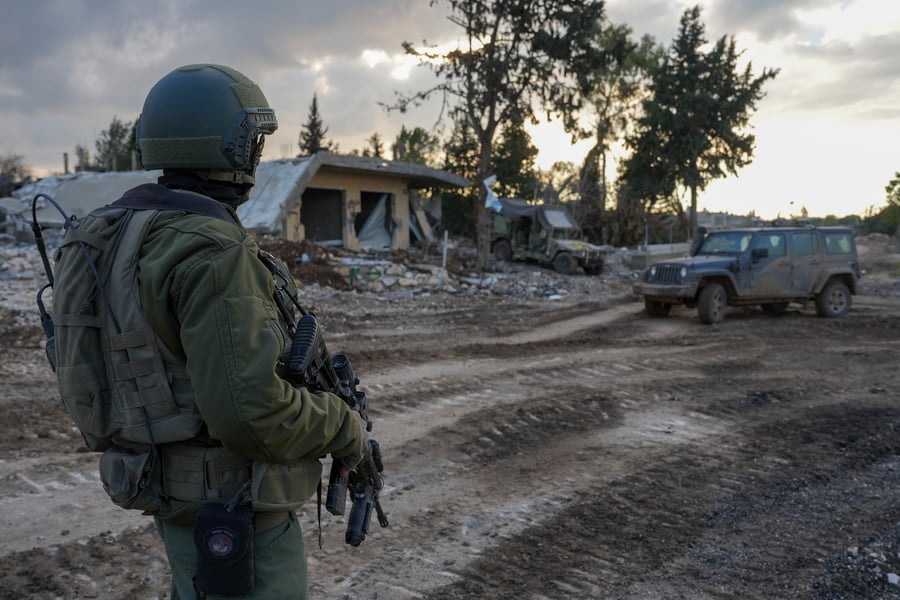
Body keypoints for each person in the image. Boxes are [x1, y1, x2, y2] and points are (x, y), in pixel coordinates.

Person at [47, 64, 369, 599]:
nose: (258, 154)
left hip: (174, 496)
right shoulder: (212, 251)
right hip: (240, 517)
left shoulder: (120, 230)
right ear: (231, 148)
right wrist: (344, 425)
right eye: (253, 140)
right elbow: (252, 415)